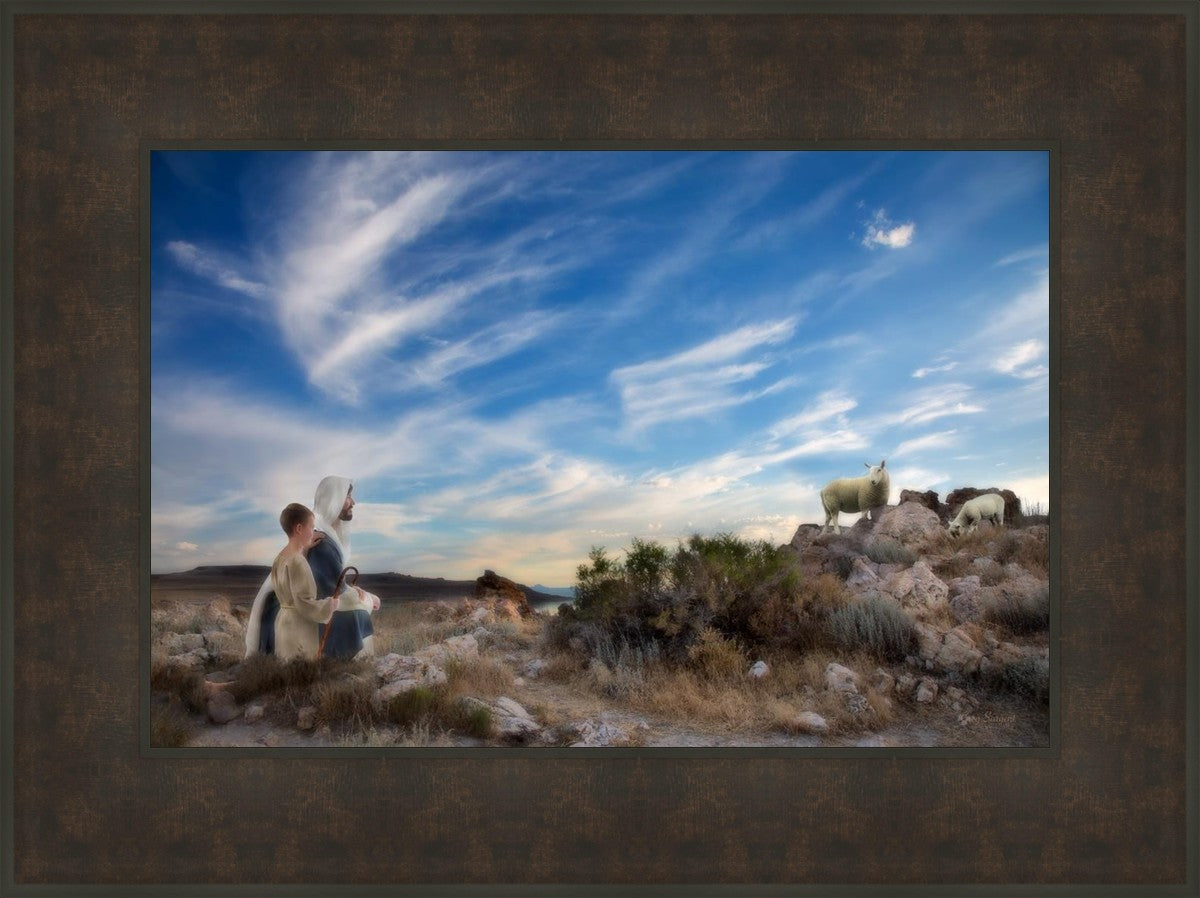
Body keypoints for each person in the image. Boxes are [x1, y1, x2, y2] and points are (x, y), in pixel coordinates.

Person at [244, 476, 382, 660]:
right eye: (348, 496)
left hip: (288, 615)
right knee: (360, 616)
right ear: (335, 499)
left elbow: (330, 582)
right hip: (302, 619)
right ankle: (351, 666)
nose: (353, 502)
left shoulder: (310, 543)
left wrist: (351, 591)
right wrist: (369, 599)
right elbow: (329, 592)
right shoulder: (322, 543)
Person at [270, 503, 338, 660]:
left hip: (283, 622)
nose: (313, 531)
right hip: (298, 627)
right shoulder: (298, 562)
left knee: (285, 667)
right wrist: (331, 605)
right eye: (312, 527)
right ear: (299, 529)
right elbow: (304, 603)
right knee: (300, 671)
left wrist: (304, 547)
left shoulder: (280, 558)